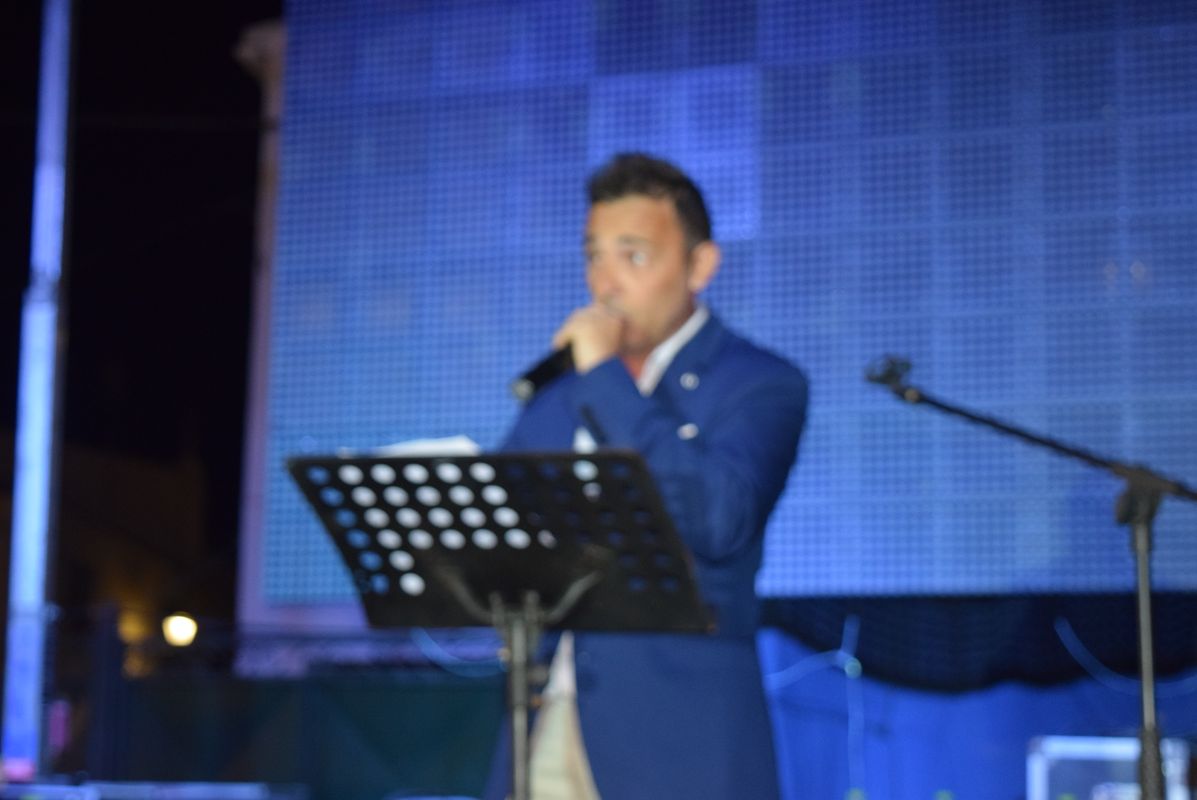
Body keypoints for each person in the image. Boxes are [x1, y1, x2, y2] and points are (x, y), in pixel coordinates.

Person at [488, 153, 808, 799]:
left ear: (699, 265)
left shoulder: (758, 383)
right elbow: (500, 520)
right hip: (550, 714)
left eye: (632, 256)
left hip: (681, 736)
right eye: (593, 256)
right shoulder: (559, 393)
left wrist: (607, 382)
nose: (605, 282)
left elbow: (720, 520)